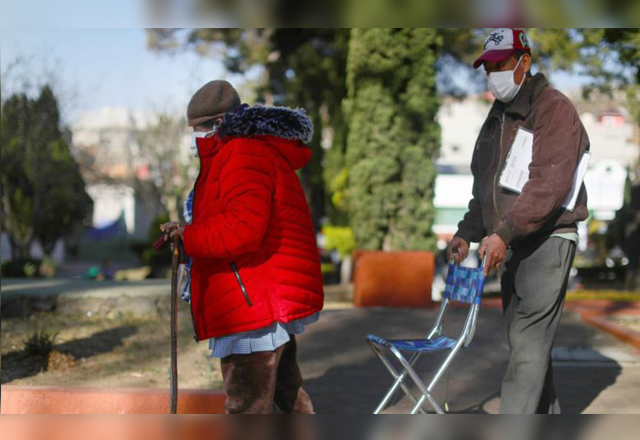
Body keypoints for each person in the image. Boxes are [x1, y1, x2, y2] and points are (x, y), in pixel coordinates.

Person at [447, 29, 589, 414]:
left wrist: (504, 232)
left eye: (500, 64)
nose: (492, 74)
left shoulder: (553, 108)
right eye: (487, 67)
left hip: (548, 239)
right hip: (510, 242)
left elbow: (549, 184)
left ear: (524, 62)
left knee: (527, 343)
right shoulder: (497, 116)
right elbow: (485, 188)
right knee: (528, 345)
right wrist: (466, 233)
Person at [161, 80, 324, 414]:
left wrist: (190, 236)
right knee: (287, 396)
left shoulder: (242, 153)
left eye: (199, 128)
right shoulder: (242, 151)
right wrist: (187, 234)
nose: (195, 137)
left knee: (246, 405)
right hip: (259, 296)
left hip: (251, 303)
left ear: (220, 122)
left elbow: (242, 229)